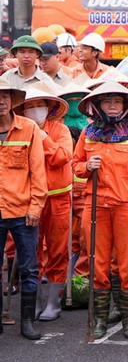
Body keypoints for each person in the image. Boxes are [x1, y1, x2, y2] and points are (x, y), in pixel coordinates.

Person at [72, 81, 128, 340]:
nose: (112, 106)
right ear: (97, 105)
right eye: (107, 101)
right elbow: (75, 165)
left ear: (125, 105)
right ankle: (99, 321)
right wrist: (87, 166)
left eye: (117, 101)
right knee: (97, 263)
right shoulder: (87, 133)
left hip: (127, 206)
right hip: (95, 206)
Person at [0, 78, 48, 339]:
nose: (0, 101)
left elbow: (38, 171)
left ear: (11, 101)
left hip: (23, 210)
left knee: (29, 267)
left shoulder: (28, 128)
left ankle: (27, 322)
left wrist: (36, 206)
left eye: (5, 96)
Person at [23, 84, 72, 322]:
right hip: (30, 199)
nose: (35, 110)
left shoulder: (60, 130)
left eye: (39, 105)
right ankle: (33, 301)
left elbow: (62, 157)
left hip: (59, 197)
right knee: (31, 250)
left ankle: (54, 303)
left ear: (49, 107)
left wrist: (43, 139)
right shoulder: (20, 130)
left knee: (57, 250)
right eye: (30, 106)